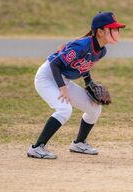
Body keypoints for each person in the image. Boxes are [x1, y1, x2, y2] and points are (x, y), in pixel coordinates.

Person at [27, 12, 126, 159]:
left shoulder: (101, 50)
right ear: (99, 31)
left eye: (117, 29)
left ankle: (79, 143)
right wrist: (63, 88)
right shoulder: (81, 45)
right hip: (47, 77)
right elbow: (55, 64)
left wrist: (89, 84)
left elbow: (84, 66)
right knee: (64, 109)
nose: (116, 32)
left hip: (62, 79)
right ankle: (37, 148)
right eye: (112, 29)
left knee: (94, 108)